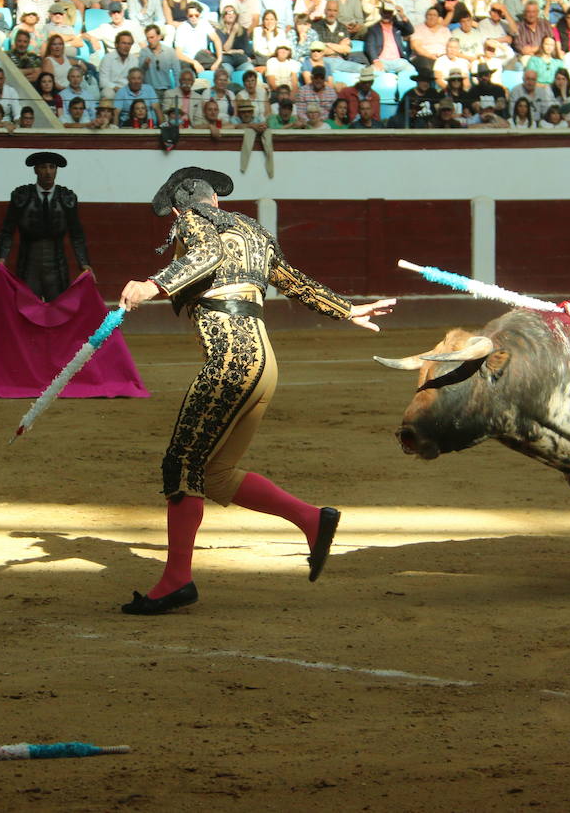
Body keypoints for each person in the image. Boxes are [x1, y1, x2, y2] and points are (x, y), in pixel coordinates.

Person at [115, 168, 396, 615]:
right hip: (263, 364)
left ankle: (176, 580)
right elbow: (295, 281)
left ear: (178, 208)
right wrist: (346, 309)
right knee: (217, 473)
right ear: (218, 201)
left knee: (183, 465)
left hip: (230, 359)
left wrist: (155, 283)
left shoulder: (192, 220)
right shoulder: (253, 231)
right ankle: (311, 519)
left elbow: (205, 254)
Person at [0, 151, 91, 302]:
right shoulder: (21, 196)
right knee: (27, 310)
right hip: (28, 265)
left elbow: (76, 233)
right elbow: (8, 230)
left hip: (57, 266)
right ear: (35, 170)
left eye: (52, 167)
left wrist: (84, 263)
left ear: (56, 170)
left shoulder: (67, 197)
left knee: (58, 311)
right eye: (43, 167)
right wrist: (1, 257)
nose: (48, 172)